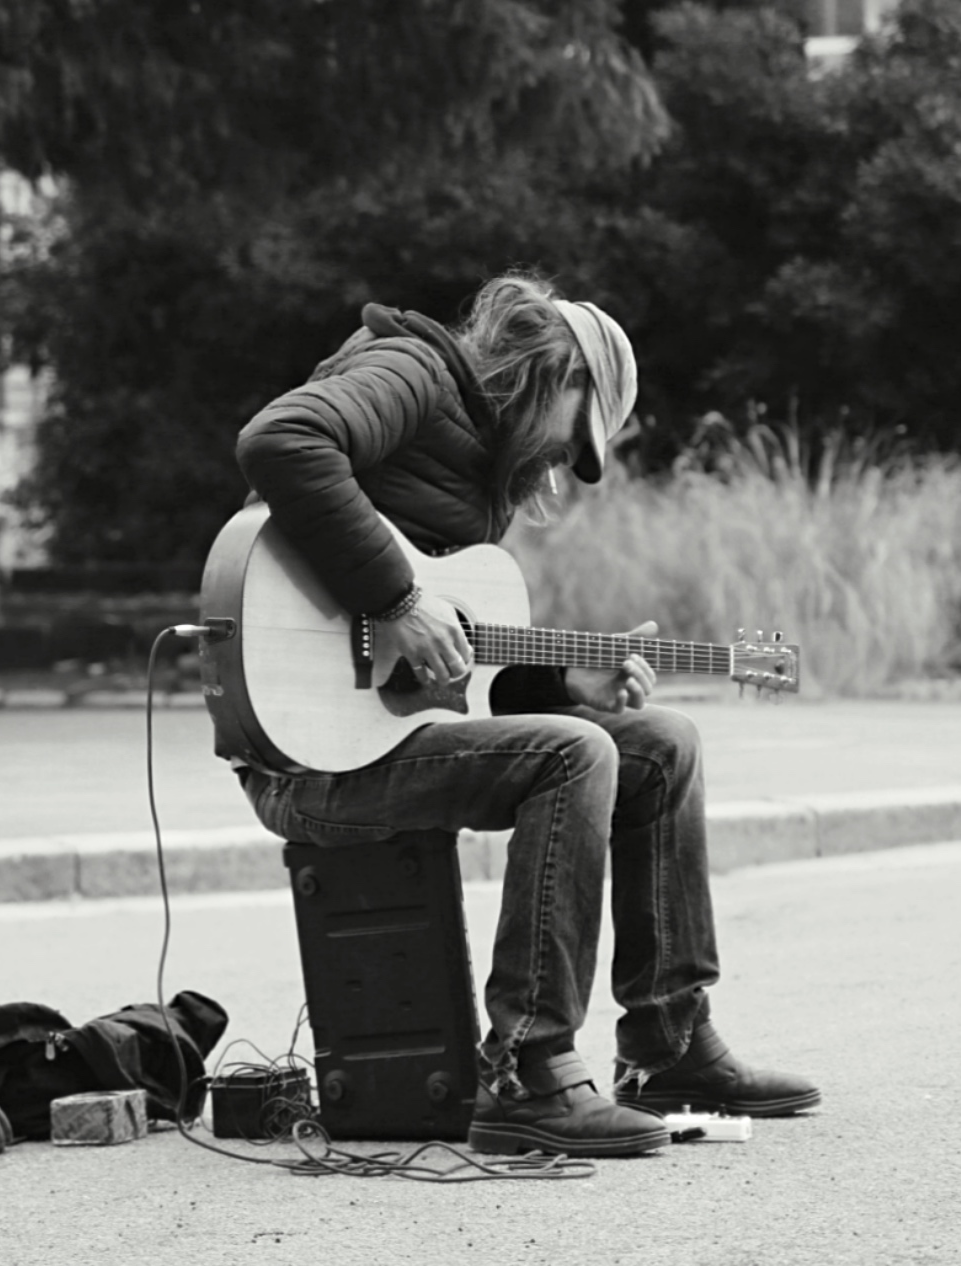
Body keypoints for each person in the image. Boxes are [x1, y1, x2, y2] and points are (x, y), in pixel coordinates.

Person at [228, 273, 818, 1158]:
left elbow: (453, 685)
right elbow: (281, 439)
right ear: (553, 373)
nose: (559, 467)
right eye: (572, 438)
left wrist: (564, 692)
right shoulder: (412, 374)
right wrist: (394, 599)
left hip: (382, 743)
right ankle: (527, 1071)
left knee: (660, 744)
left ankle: (670, 1046)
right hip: (303, 757)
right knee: (576, 758)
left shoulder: (479, 474)